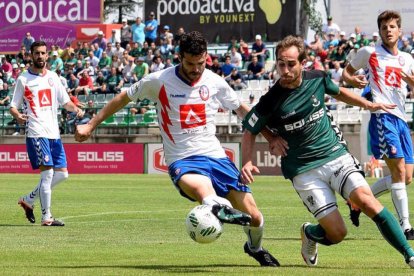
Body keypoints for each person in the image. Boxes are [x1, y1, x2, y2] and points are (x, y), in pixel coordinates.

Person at [75, 31, 280, 267]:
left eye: (201, 63)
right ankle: (215, 206)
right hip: (183, 159)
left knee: (255, 218)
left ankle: (254, 247)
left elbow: (243, 111)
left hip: (216, 157)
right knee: (205, 190)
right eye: (190, 64)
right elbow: (123, 98)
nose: (196, 69)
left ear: (206, 58)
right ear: (180, 57)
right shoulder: (159, 80)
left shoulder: (214, 82)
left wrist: (270, 136)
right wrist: (91, 124)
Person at [240, 35, 414, 268]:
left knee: (367, 201)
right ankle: (311, 233)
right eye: (281, 63)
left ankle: (410, 255)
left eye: (291, 63)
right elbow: (250, 128)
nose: (285, 69)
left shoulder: (318, 79)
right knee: (337, 233)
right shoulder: (271, 100)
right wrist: (250, 159)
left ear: (303, 63)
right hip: (303, 170)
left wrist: (369, 105)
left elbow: (339, 92)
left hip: (335, 155)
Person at [343, 10, 414, 239]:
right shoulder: (370, 53)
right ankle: (406, 227)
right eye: (384, 28)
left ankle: (356, 200)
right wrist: (351, 79)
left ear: (399, 30)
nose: (388, 31)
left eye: (392, 27)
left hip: (402, 119)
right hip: (383, 116)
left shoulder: (408, 58)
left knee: (407, 177)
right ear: (380, 32)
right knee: (398, 171)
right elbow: (346, 74)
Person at [10, 41, 84, 226]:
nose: (40, 56)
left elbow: (65, 101)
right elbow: (13, 106)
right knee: (48, 175)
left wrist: (75, 109)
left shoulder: (53, 77)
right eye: (37, 53)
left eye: (43, 53)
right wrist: (18, 115)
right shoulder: (23, 79)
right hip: (36, 132)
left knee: (63, 174)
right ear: (31, 55)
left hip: (54, 133)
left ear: (47, 55)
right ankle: (47, 217)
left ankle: (28, 199)